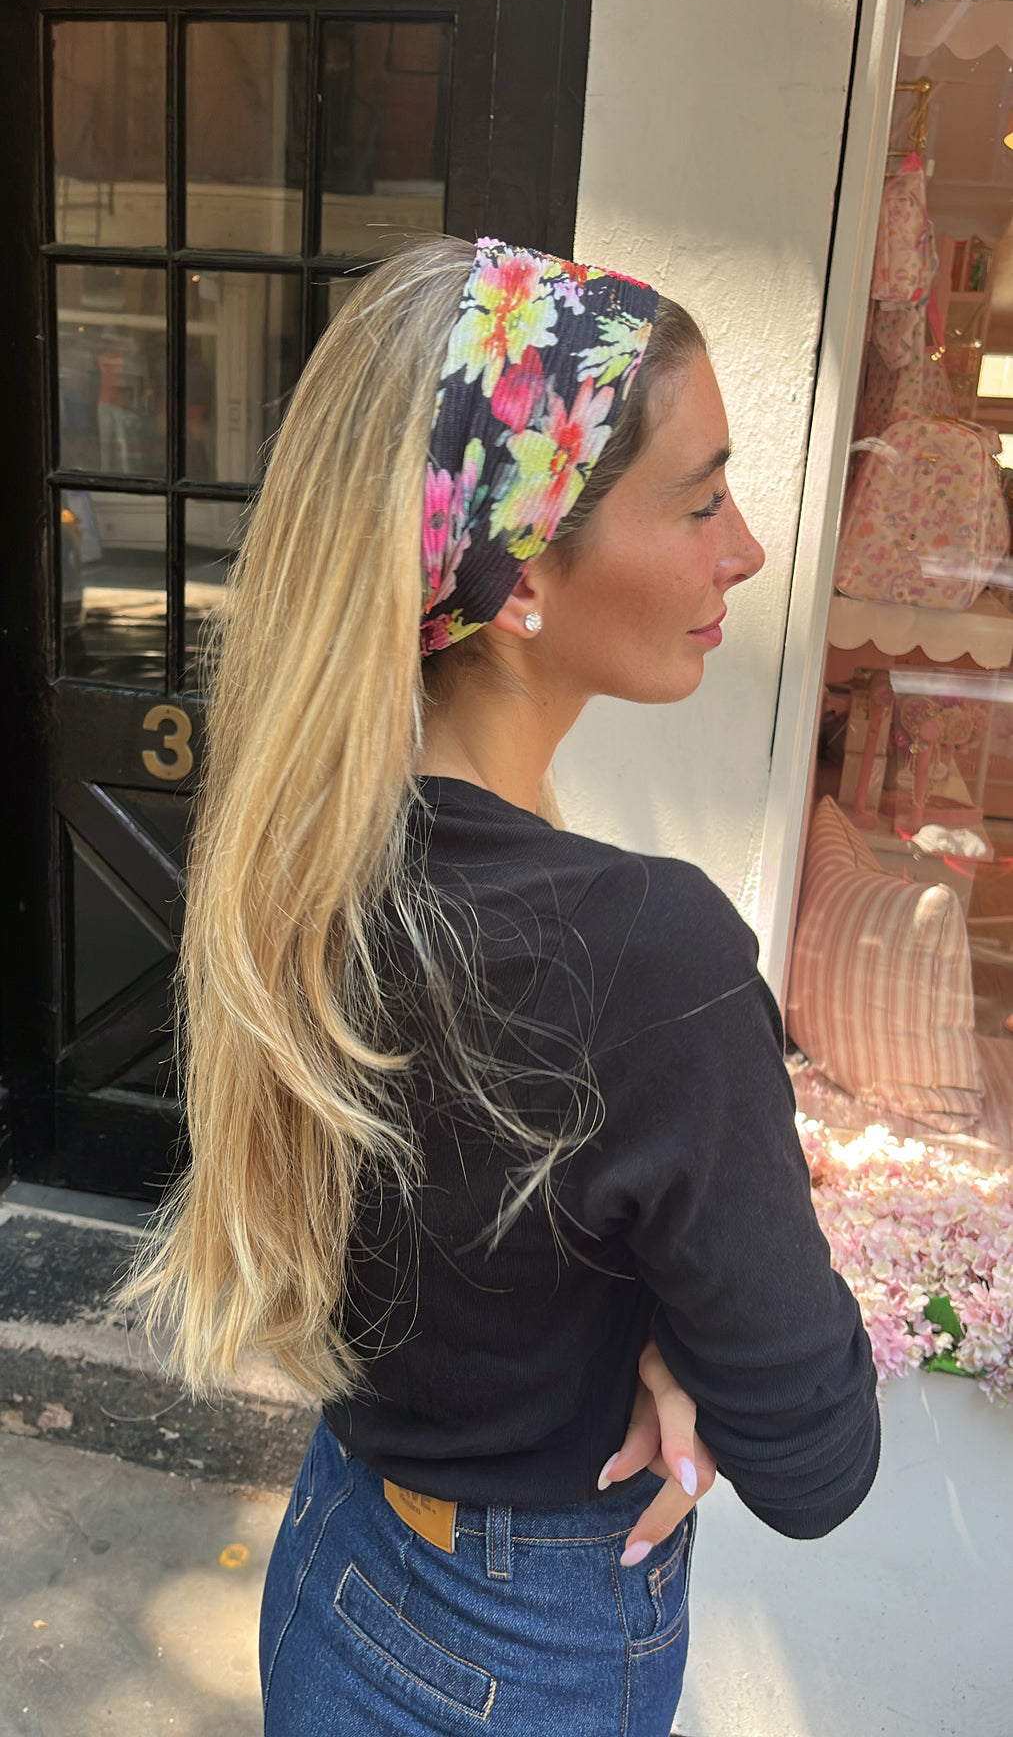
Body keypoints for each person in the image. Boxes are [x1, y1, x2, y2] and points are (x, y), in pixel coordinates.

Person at [127, 236, 880, 1736]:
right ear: (521, 575)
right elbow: (816, 1464)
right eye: (701, 498)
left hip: (340, 1552)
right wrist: (690, 1341)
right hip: (521, 1649)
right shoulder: (646, 954)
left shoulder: (306, 852)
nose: (743, 550)